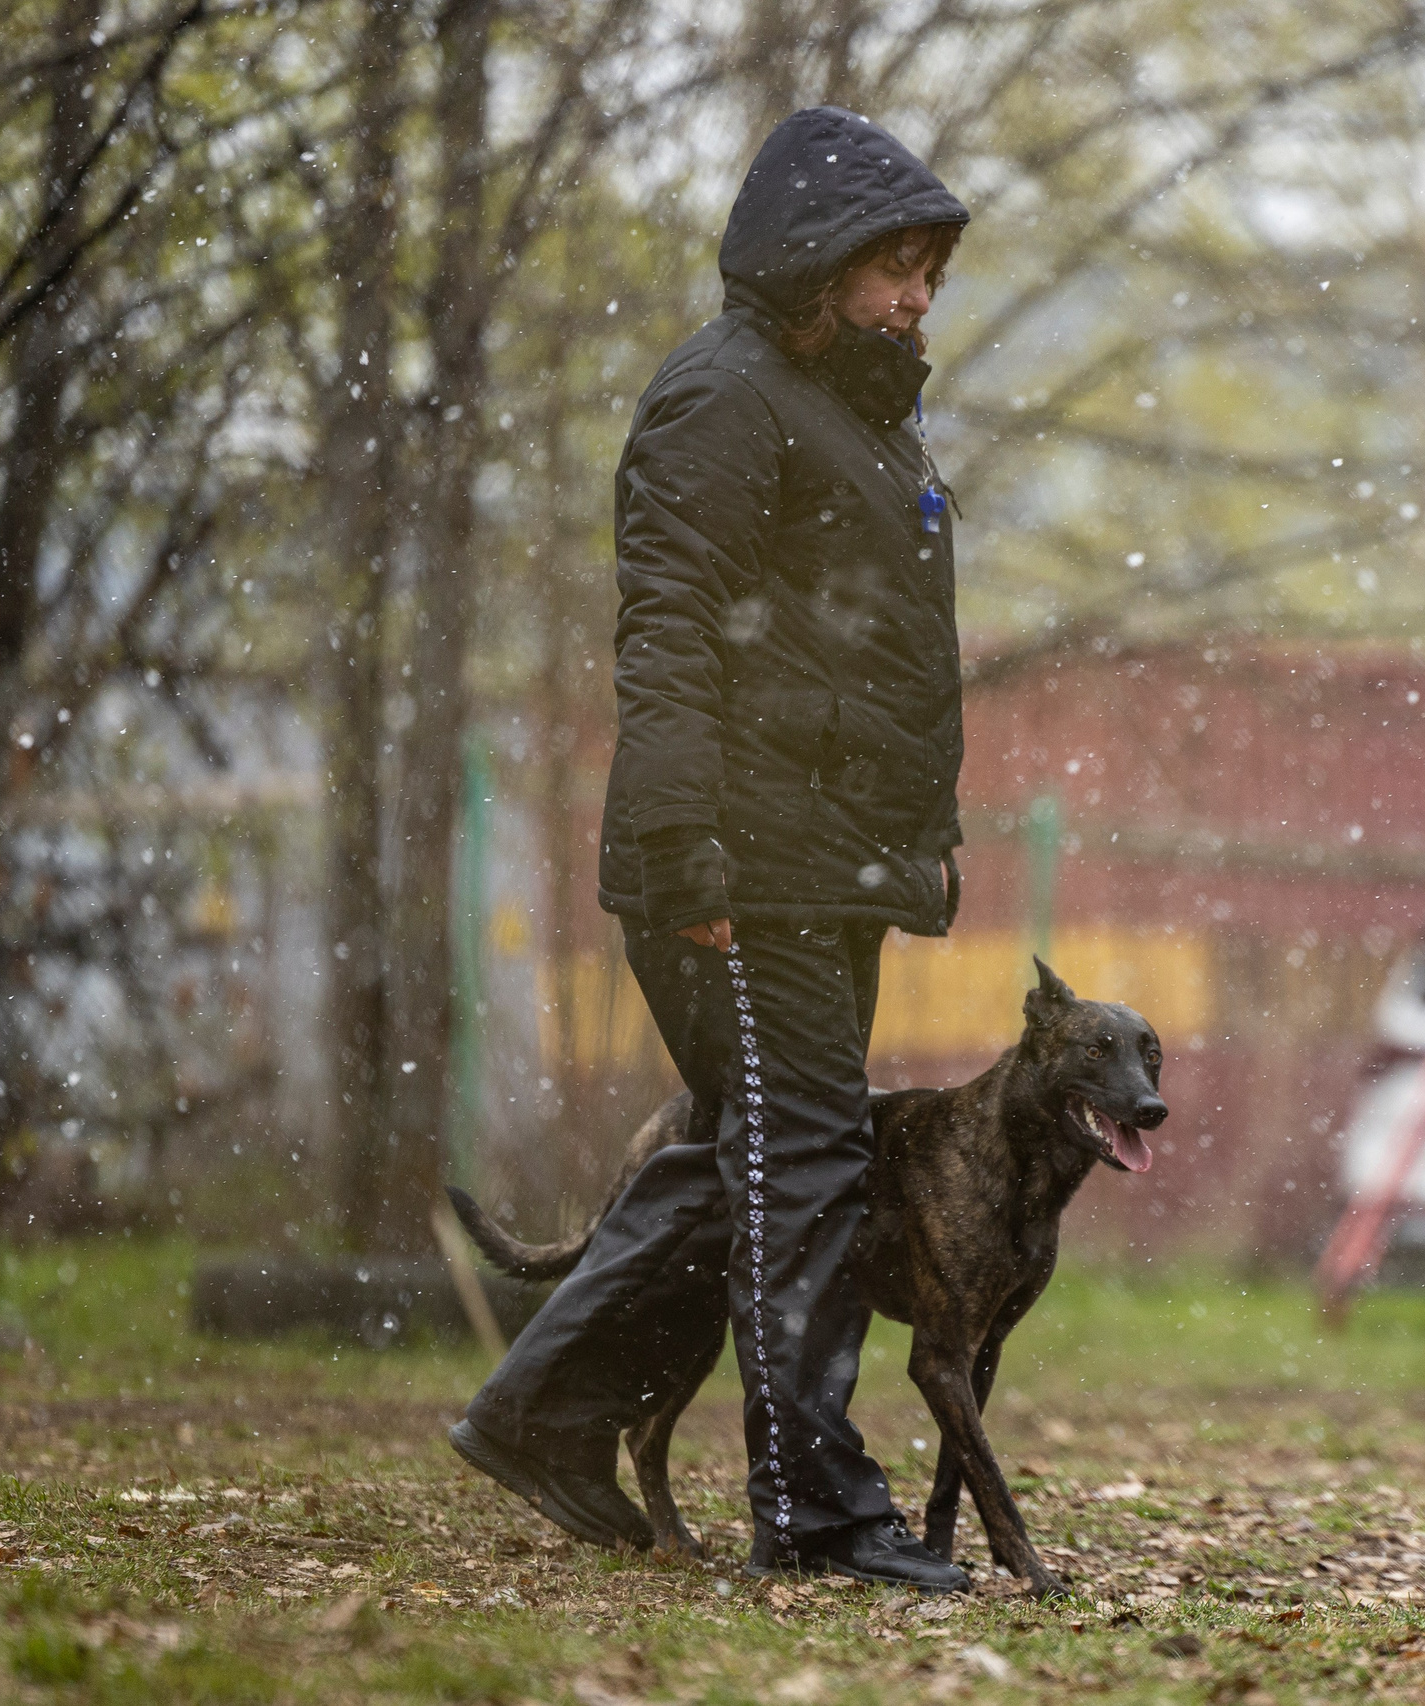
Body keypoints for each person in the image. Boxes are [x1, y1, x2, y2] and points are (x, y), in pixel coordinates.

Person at [447, 107, 974, 1592]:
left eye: (929, 276)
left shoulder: (854, 411)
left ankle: (547, 1410)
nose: (916, 301)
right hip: (742, 864)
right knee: (802, 1162)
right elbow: (672, 635)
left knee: (758, 1150)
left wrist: (916, 837)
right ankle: (814, 1505)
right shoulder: (724, 397)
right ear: (816, 261)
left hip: (821, 862)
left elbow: (872, 662)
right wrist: (686, 850)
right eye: (895, 270)